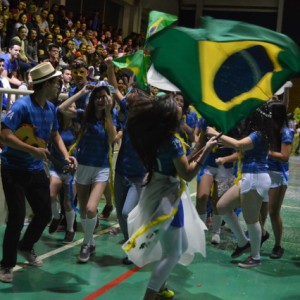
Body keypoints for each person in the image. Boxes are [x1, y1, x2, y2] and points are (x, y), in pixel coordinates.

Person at [122, 93, 218, 299]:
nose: (180, 106)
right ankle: (150, 295)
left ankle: (161, 286)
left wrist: (201, 144)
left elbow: (181, 161)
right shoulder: (172, 141)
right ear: (169, 115)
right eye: (175, 105)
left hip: (163, 190)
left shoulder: (161, 137)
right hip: (168, 197)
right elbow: (187, 173)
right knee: (174, 252)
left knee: (179, 246)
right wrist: (208, 149)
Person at [0, 62, 77, 283]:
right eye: (56, 82)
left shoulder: (51, 109)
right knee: (16, 217)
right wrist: (32, 150)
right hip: (13, 169)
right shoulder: (22, 106)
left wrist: (66, 155)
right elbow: (4, 135)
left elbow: (55, 135)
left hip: (35, 170)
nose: (59, 86)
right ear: (45, 84)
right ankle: (6, 264)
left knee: (44, 213)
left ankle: (26, 246)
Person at [207, 102, 283, 268]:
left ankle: (255, 257)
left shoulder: (258, 133)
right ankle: (243, 242)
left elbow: (239, 145)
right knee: (221, 206)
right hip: (248, 178)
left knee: (251, 219)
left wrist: (216, 134)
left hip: (254, 178)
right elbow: (238, 145)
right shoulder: (258, 133)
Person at [58, 84, 117, 263]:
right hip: (83, 166)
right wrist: (81, 92)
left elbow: (113, 138)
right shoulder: (84, 115)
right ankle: (90, 242)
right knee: (83, 211)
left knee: (92, 208)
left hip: (101, 167)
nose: (100, 100)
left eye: (104, 96)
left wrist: (108, 112)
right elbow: (61, 109)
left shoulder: (111, 117)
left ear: (109, 99)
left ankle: (85, 243)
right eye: (97, 97)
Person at [106, 57, 146, 264]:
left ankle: (136, 245)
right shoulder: (129, 111)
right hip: (121, 171)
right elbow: (113, 88)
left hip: (138, 176)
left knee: (127, 212)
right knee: (120, 215)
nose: (131, 96)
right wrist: (110, 67)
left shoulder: (152, 122)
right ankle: (131, 245)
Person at [260, 100, 293, 259]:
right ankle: (262, 234)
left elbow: (285, 157)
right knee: (260, 210)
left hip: (278, 175)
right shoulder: (268, 129)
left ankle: (278, 245)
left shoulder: (285, 132)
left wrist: (266, 152)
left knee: (273, 211)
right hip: (264, 171)